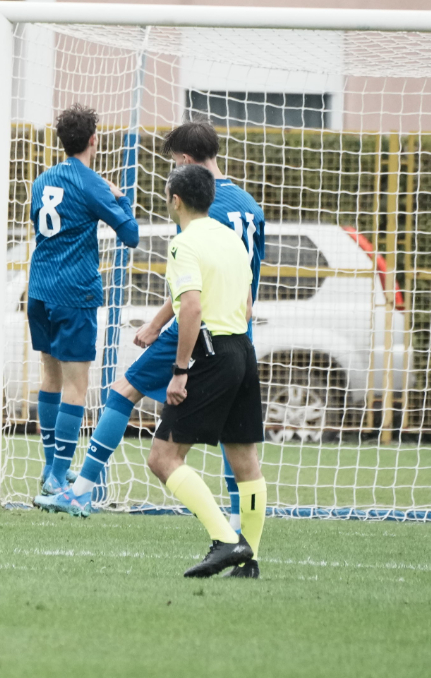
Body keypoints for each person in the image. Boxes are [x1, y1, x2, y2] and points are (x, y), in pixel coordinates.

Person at [38, 121, 265, 566]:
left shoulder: (195, 228)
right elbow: (247, 296)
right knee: (242, 452)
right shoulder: (247, 210)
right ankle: (246, 544)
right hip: (241, 338)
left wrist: (172, 351)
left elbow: (192, 299)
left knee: (146, 429)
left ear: (183, 171)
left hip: (200, 336)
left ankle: (81, 489)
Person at [144, 164, 266, 578]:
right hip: (243, 350)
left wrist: (180, 370)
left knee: (163, 457)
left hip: (212, 355)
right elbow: (247, 306)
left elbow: (192, 308)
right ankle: (249, 560)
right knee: (245, 460)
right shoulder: (232, 240)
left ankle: (226, 540)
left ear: (175, 200)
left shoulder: (184, 244)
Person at [26, 105, 139, 501]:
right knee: (77, 385)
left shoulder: (42, 180)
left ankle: (50, 467)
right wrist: (120, 198)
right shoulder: (92, 184)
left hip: (39, 291)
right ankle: (57, 477)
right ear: (94, 139)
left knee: (50, 377)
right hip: (74, 294)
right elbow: (131, 236)